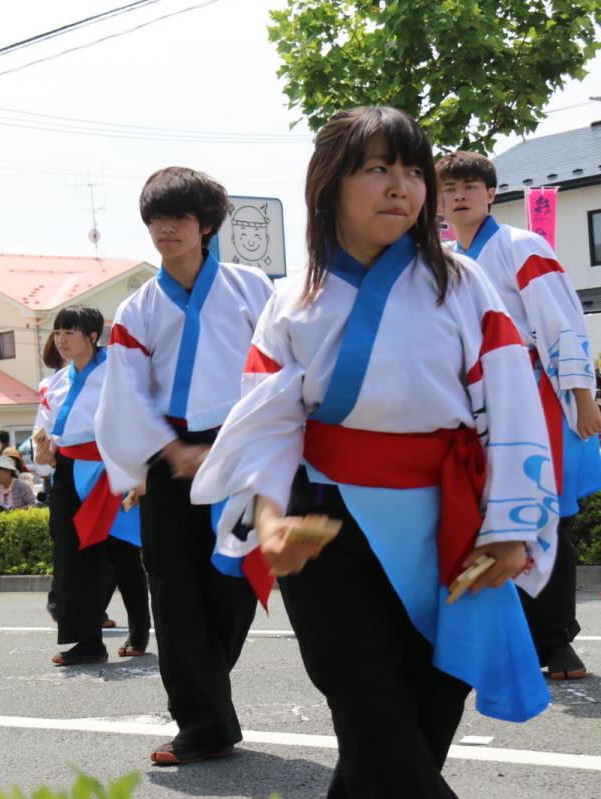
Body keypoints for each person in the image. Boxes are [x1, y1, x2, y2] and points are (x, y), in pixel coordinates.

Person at [193, 106, 555, 798]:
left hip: (451, 525)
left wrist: (511, 525)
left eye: (413, 170)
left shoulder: (460, 281)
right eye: (378, 168)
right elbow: (266, 425)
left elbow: (511, 401)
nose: (402, 186)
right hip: (327, 523)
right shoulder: (291, 300)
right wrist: (269, 520)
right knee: (372, 713)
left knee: (421, 716)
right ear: (330, 183)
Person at [95, 166, 273, 765]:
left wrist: (251, 446)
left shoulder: (253, 289)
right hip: (171, 459)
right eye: (155, 219)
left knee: (232, 583)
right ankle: (202, 724)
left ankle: (205, 687)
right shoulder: (135, 309)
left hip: (242, 451)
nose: (165, 229)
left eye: (178, 218)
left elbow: (280, 369)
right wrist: (171, 454)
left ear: (206, 225)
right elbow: (125, 391)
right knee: (172, 591)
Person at [438, 149, 601, 680]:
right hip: (471, 404)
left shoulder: (521, 245)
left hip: (530, 394)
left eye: (469, 186)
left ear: (491, 193)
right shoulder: (438, 258)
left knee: (545, 512)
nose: (458, 196)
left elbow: (561, 321)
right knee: (486, 516)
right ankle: (509, 639)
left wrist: (582, 395)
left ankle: (555, 642)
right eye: (449, 189)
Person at [36, 305, 151, 666]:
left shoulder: (118, 371)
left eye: (70, 332)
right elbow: (47, 434)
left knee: (121, 551)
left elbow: (138, 417)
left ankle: (139, 629)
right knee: (71, 556)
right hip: (67, 469)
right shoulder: (55, 380)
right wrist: (43, 449)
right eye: (58, 332)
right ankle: (87, 641)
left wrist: (141, 471)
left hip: (108, 467)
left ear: (92, 336)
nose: (62, 340)